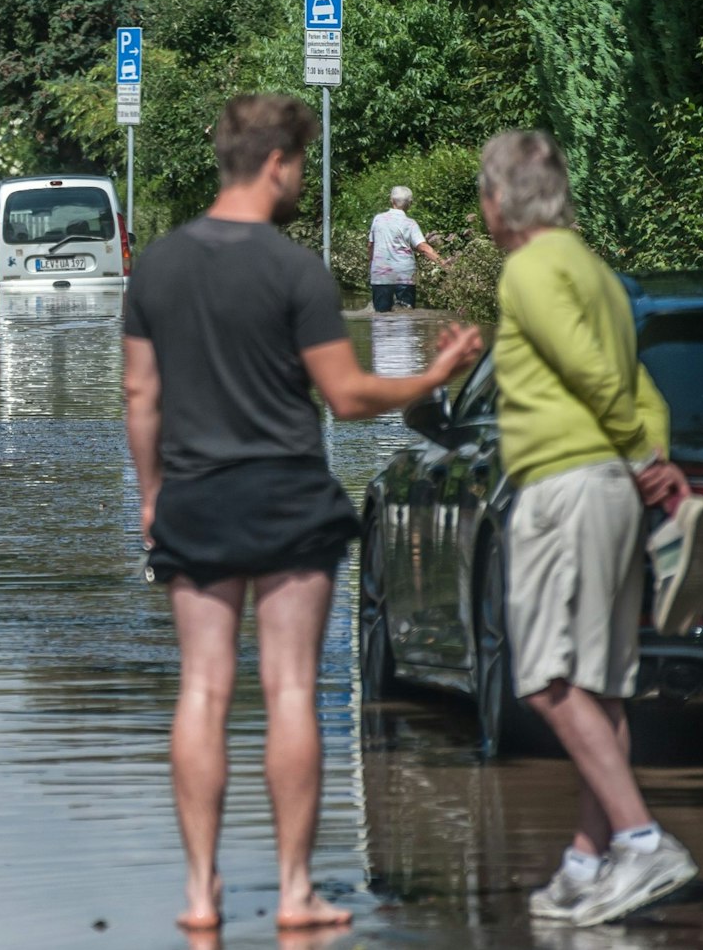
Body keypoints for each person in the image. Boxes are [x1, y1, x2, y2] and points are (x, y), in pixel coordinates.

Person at [123, 94, 482, 932]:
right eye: (301, 164)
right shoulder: (295, 270)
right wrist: (436, 376)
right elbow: (349, 398)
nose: (300, 181)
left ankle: (202, 896)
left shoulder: (159, 266)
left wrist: (152, 498)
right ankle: (293, 893)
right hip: (288, 495)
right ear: (278, 163)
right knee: (289, 690)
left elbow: (141, 396)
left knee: (203, 689)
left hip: (196, 497)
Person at [477, 130, 703, 927]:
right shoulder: (598, 272)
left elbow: (586, 369)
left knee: (543, 678)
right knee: (600, 685)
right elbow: (642, 386)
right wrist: (651, 457)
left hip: (563, 483)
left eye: (485, 194)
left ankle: (641, 840)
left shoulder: (530, 269)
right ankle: (586, 858)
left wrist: (641, 456)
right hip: (610, 490)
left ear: (500, 201)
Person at [366, 186, 445, 311]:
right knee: (405, 316)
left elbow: (371, 245)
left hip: (381, 274)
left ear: (391, 200)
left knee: (381, 317)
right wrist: (443, 263)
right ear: (410, 204)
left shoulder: (378, 220)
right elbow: (423, 247)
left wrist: (370, 263)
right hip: (404, 275)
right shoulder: (410, 223)